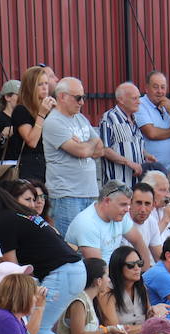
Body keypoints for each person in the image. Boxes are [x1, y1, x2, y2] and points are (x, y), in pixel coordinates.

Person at [0, 184, 84, 334]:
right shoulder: (19, 214)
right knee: (42, 328)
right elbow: (29, 254)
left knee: (40, 331)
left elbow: (13, 271)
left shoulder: (3, 220)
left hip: (62, 273)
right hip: (72, 271)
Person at [42, 78, 102, 230]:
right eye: (78, 98)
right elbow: (82, 152)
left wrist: (83, 145)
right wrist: (86, 146)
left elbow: (100, 147)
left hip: (88, 192)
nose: (82, 102)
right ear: (62, 97)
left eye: (83, 97)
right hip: (67, 195)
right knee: (70, 246)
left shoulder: (80, 118)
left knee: (88, 243)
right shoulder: (54, 121)